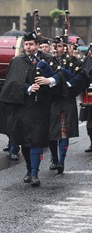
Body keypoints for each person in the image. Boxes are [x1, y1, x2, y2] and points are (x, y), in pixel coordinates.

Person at [0, 31, 60, 186]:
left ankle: (34, 174)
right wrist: (27, 88)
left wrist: (48, 80)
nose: (28, 47)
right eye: (26, 44)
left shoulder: (48, 59)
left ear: (37, 45)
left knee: (36, 139)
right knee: (24, 140)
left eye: (31, 44)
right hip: (22, 106)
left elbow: (60, 76)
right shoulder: (17, 60)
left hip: (41, 106)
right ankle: (29, 168)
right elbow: (12, 83)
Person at [48, 37, 89, 173]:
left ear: (65, 47)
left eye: (59, 46)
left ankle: (61, 162)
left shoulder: (73, 62)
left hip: (66, 101)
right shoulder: (47, 60)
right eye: (54, 46)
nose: (56, 49)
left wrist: (69, 84)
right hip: (51, 102)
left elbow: (83, 77)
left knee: (63, 133)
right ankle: (54, 158)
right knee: (52, 133)